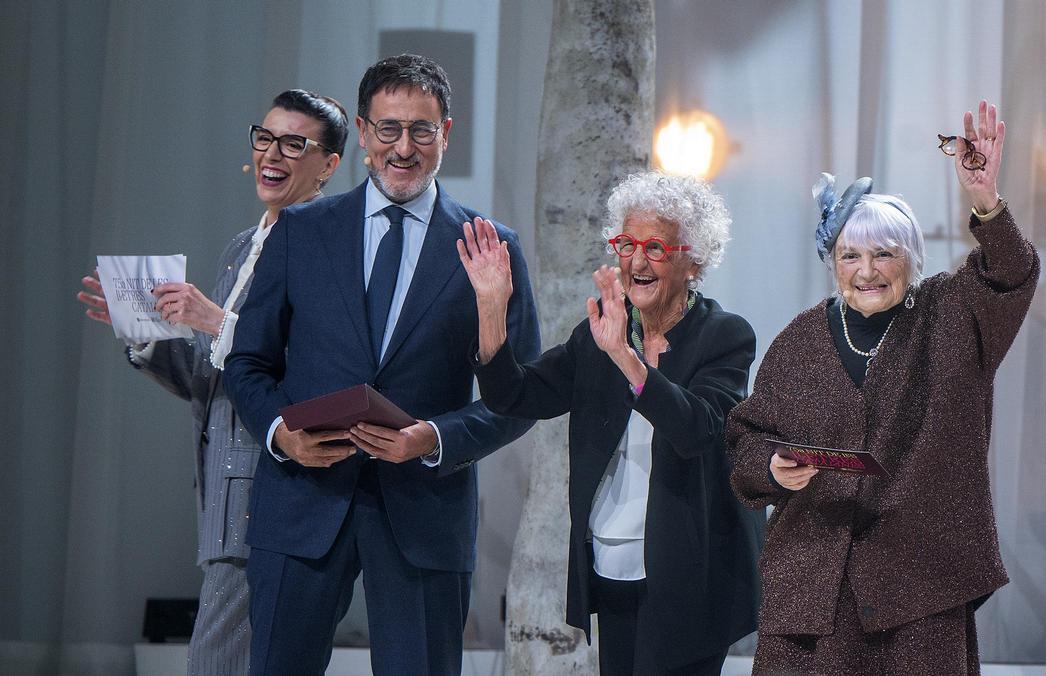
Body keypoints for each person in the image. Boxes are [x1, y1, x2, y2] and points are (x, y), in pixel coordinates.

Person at [223, 54, 540, 676]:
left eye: (422, 130)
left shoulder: (490, 245)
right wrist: (281, 434)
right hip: (302, 501)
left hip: (425, 510)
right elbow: (247, 361)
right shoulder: (300, 230)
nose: (404, 148)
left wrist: (435, 439)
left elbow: (522, 394)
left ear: (446, 133)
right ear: (364, 133)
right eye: (389, 129)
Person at [725, 100, 1039, 675]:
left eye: (883, 254)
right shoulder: (799, 340)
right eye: (850, 255)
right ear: (833, 263)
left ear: (910, 259)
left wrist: (985, 201)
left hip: (920, 587)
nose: (866, 270)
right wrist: (772, 467)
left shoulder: (951, 313)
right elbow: (746, 438)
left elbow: (1011, 273)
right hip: (812, 588)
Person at [75, 88, 346, 675]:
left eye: (293, 143)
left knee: (219, 661)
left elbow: (318, 366)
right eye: (265, 138)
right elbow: (213, 377)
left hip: (272, 489)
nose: (271, 153)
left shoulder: (328, 246)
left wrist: (216, 320)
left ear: (328, 166)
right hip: (221, 491)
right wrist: (145, 333)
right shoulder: (241, 248)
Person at [459, 171, 765, 675]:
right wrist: (492, 310)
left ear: (694, 261)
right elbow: (514, 395)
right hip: (611, 562)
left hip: (691, 572)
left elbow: (699, 431)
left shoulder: (724, 335)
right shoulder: (598, 334)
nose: (637, 262)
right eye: (627, 244)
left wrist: (626, 357)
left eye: (655, 248)